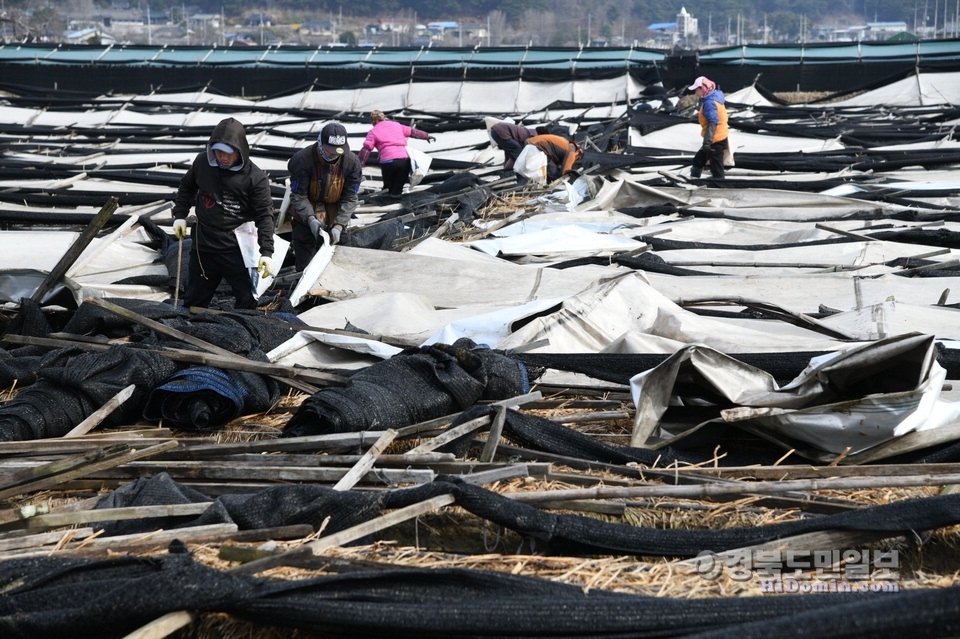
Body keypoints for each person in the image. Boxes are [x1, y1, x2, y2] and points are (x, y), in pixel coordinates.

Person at [172, 117, 275, 310]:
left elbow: (264, 215)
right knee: (194, 300)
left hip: (236, 246)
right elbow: (186, 187)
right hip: (204, 245)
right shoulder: (203, 163)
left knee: (247, 301)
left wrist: (266, 252)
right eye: (218, 152)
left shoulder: (255, 178)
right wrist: (179, 215)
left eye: (228, 153)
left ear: (240, 150)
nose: (223, 157)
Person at [287, 122, 362, 271]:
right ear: (320, 143)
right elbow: (298, 195)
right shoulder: (301, 160)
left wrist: (339, 225)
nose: (334, 155)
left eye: (337, 152)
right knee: (305, 267)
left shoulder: (352, 163)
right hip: (305, 216)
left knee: (343, 264)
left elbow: (350, 197)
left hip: (335, 214)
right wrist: (310, 219)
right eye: (330, 151)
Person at [357, 109, 435, 197]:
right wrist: (427, 136)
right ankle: (396, 202)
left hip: (388, 163)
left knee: (388, 188)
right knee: (398, 188)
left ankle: (386, 205)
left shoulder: (373, 132)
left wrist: (358, 166)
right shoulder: (396, 125)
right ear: (384, 118)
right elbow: (412, 132)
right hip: (404, 161)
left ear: (373, 121)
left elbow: (366, 150)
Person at [688, 76, 729, 179]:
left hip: (715, 140)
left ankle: (719, 186)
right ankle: (694, 180)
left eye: (696, 90)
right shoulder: (715, 97)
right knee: (698, 160)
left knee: (716, 167)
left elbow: (713, 122)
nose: (695, 93)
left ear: (703, 89)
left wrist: (707, 142)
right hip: (717, 137)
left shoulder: (709, 103)